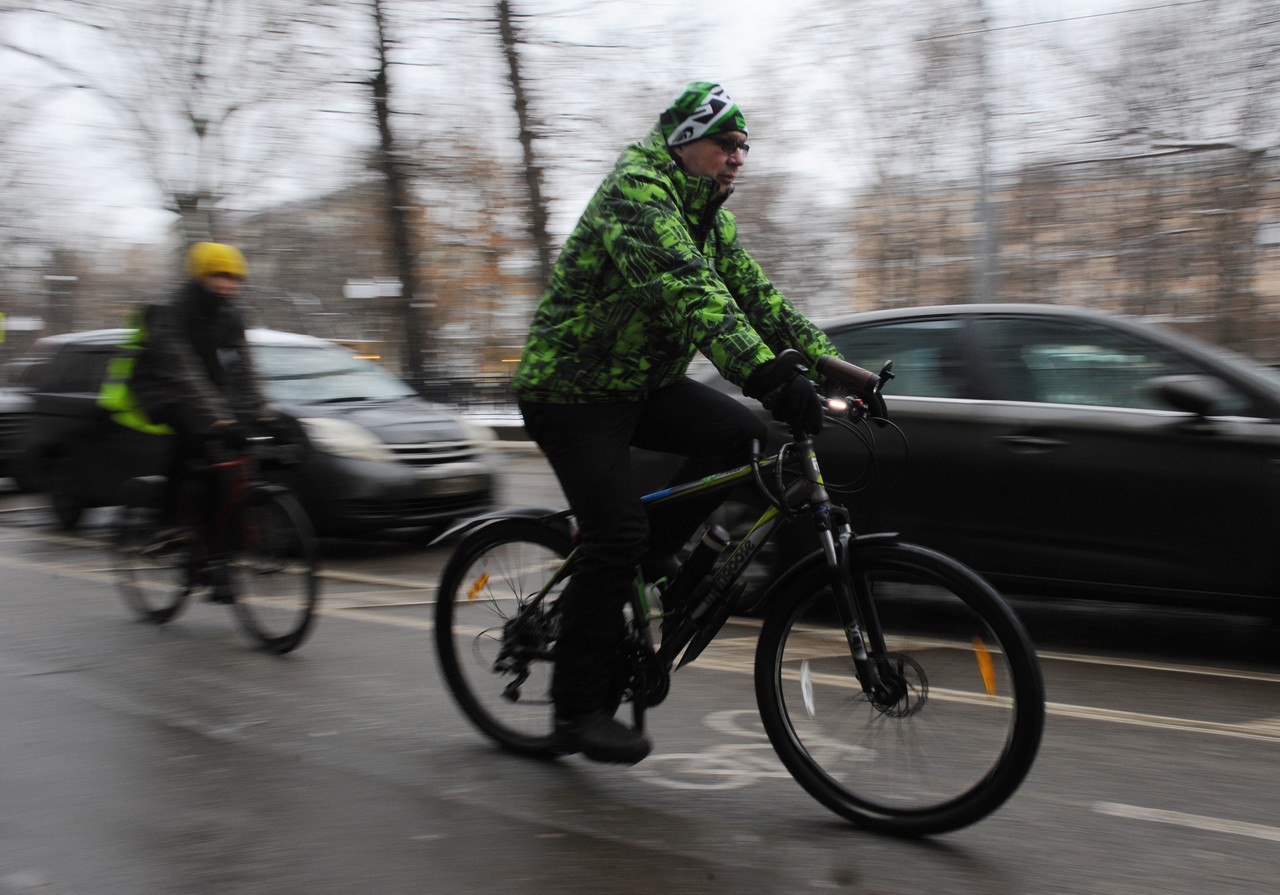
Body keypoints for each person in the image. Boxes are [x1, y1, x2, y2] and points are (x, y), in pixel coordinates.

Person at [512, 82, 842, 765]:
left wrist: (837, 367)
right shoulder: (637, 193)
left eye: (745, 146)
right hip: (571, 390)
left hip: (640, 384)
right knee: (616, 533)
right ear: (685, 140)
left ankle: (652, 556)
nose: (738, 157)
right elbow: (690, 291)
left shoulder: (709, 215)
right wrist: (768, 374)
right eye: (727, 142)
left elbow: (753, 295)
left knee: (742, 435)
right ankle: (576, 710)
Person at [125, 241, 270, 602]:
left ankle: (216, 560)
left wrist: (261, 411)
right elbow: (182, 369)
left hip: (204, 389)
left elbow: (244, 364)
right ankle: (167, 520)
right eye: (218, 275)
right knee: (196, 436)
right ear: (201, 275)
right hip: (160, 387)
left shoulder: (230, 313)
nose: (226, 284)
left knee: (230, 469)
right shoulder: (171, 308)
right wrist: (219, 419)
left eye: (233, 278)